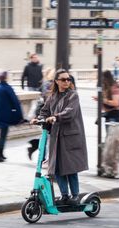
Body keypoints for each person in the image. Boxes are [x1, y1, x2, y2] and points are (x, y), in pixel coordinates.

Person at [31, 69, 88, 205]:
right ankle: (64, 195)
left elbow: (70, 112)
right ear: (57, 81)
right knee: (57, 168)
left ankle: (75, 195)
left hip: (70, 137)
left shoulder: (73, 95)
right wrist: (38, 118)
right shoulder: (53, 96)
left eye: (68, 79)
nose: (67, 82)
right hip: (56, 137)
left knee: (70, 168)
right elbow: (44, 111)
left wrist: (55, 117)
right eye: (63, 79)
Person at [0, 70, 23, 162]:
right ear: (6, 77)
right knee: (3, 135)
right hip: (5, 116)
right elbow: (15, 102)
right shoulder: (7, 88)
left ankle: (0, 154)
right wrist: (20, 116)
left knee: (3, 134)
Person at [27, 67, 55, 160]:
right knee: (47, 137)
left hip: (47, 114)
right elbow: (47, 99)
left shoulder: (48, 84)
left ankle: (35, 147)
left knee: (46, 137)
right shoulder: (47, 84)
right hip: (47, 114)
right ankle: (42, 158)